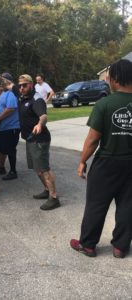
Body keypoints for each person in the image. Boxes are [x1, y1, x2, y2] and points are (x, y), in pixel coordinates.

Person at [70, 59, 132, 258]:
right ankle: (121, 247)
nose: (106, 80)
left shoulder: (104, 104)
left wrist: (82, 161)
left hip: (106, 163)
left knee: (96, 204)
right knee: (128, 205)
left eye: (109, 77)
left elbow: (92, 140)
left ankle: (88, 244)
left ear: (115, 79)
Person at [0, 61, 60, 210]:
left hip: (40, 139)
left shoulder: (37, 99)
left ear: (31, 85)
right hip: (30, 139)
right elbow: (7, 84)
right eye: (20, 85)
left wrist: (40, 124)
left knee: (44, 168)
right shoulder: (21, 95)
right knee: (37, 169)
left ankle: (54, 197)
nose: (21, 88)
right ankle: (47, 190)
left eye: (24, 85)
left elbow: (43, 116)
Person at [0, 72, 21, 180]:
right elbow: (2, 108)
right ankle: (1, 167)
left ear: (9, 82)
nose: (1, 83)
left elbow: (11, 108)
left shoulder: (11, 93)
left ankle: (13, 171)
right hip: (3, 126)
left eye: (4, 81)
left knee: (11, 149)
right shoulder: (3, 93)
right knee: (2, 148)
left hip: (11, 127)